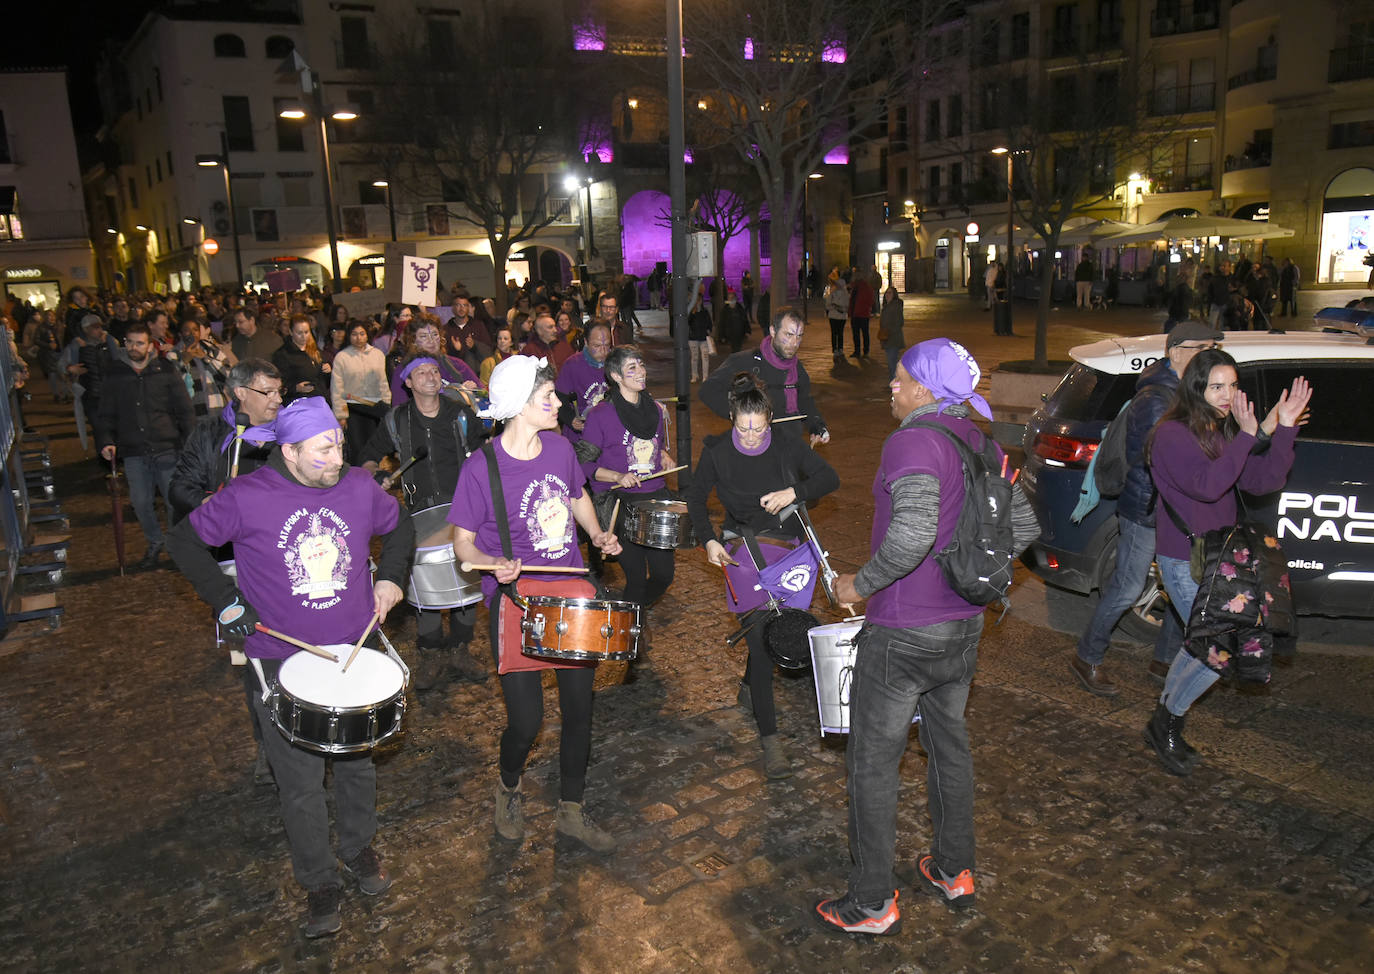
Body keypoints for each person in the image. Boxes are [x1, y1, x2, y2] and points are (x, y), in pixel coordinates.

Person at [814, 339, 1039, 935]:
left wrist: (856, 584)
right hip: (964, 627)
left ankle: (871, 902)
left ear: (928, 391)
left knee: (873, 764)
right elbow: (1025, 526)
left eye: (899, 379)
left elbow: (912, 534)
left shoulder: (912, 441)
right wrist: (970, 572)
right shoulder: (985, 444)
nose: (891, 387)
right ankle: (953, 869)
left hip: (904, 631)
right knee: (949, 748)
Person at [166, 397, 411, 938]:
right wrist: (226, 601)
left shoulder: (355, 485)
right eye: (324, 449)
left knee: (355, 764)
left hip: (351, 652)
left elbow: (401, 527)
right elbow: (182, 540)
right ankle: (319, 879)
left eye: (340, 444)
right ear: (291, 451)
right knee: (299, 782)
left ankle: (358, 849)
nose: (337, 457)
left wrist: (391, 576)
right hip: (279, 660)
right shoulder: (246, 496)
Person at [448, 355, 623, 852]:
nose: (557, 402)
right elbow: (462, 544)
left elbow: (577, 497)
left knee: (578, 712)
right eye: (546, 397)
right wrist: (489, 560)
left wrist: (596, 533)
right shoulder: (480, 466)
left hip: (570, 594)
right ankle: (507, 787)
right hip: (516, 599)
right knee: (527, 723)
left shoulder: (561, 448)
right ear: (519, 406)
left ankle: (571, 810)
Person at [1142, 350, 1311, 775]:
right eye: (1216, 385)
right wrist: (1248, 437)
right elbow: (1208, 486)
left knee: (1202, 646)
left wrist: (1284, 430)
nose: (1227, 394)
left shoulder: (1218, 431)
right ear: (1196, 387)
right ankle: (1167, 723)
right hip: (1186, 559)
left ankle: (1164, 719)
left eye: (1233, 385)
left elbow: (1262, 481)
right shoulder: (1172, 434)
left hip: (1224, 561)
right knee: (1218, 652)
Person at [685, 373, 839, 778]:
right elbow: (696, 498)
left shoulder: (787, 446)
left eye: (758, 427)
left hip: (788, 555)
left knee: (779, 635)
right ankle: (771, 744)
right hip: (742, 552)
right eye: (742, 427)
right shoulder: (717, 451)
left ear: (768, 418)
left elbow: (829, 478)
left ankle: (750, 685)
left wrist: (794, 492)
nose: (751, 436)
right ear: (732, 417)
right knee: (764, 642)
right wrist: (708, 541)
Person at [1069, 322, 1221, 697]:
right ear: (1176, 353)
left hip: (1177, 512)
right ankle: (1086, 657)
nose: (1211, 353)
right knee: (1126, 589)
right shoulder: (1156, 400)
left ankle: (1164, 659)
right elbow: (1155, 462)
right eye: (1204, 346)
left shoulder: (1188, 393)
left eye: (1214, 346)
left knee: (1184, 587)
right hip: (1147, 511)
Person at [360, 356, 486, 689]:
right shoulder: (396, 420)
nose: (430, 377)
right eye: (421, 373)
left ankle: (461, 648)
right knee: (426, 587)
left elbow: (482, 455)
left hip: (463, 510)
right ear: (408, 383)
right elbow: (370, 456)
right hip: (419, 514)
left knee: (466, 579)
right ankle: (430, 652)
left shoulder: (460, 414)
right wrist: (377, 476)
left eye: (434, 371)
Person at [581, 345, 676, 613]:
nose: (641, 372)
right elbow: (584, 463)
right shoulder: (600, 415)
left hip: (655, 499)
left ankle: (629, 611)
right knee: (635, 576)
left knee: (663, 575)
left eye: (641, 365)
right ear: (616, 376)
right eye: (631, 368)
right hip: (620, 504)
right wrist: (617, 476)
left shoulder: (655, 410)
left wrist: (665, 455)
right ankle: (631, 637)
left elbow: (651, 445)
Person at [95, 322, 195, 570]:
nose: (134, 347)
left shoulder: (165, 370)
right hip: (133, 450)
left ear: (150, 345)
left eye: (139, 342)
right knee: (140, 503)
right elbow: (105, 413)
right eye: (129, 342)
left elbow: (183, 409)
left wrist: (190, 443)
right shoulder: (115, 373)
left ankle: (174, 543)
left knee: (174, 502)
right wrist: (106, 440)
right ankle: (154, 541)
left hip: (167, 447)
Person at [700, 309, 829, 448]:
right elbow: (708, 390)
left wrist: (817, 426)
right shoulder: (745, 361)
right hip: (754, 447)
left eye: (799, 336)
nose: (794, 342)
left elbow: (804, 400)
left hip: (789, 445)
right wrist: (739, 414)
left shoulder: (796, 368)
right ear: (773, 331)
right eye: (789, 334)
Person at [329, 320, 391, 462]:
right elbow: (337, 388)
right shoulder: (342, 357)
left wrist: (387, 406)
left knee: (377, 447)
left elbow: (383, 382)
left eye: (362, 334)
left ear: (367, 335)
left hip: (375, 407)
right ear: (349, 336)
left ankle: (375, 478)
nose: (358, 338)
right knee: (358, 448)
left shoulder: (378, 354)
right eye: (354, 334)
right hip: (353, 407)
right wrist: (340, 414)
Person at [554, 322, 611, 437]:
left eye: (607, 345)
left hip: (608, 430)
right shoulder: (572, 365)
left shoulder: (615, 362)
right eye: (597, 346)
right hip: (581, 435)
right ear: (586, 342)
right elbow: (559, 399)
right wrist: (571, 419)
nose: (603, 350)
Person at [175, 318, 237, 417]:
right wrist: (183, 362)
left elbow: (229, 376)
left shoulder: (212, 350)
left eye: (195, 330)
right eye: (187, 330)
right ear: (180, 334)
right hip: (193, 414)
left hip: (219, 411)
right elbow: (173, 384)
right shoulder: (174, 354)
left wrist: (206, 359)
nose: (192, 333)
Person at [274, 313, 330, 406]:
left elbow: (325, 381)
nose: (304, 336)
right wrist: (296, 388)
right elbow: (279, 385)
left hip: (319, 401)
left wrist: (328, 370)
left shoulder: (315, 350)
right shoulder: (282, 355)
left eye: (306, 332)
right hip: (297, 404)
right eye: (299, 333)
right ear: (291, 332)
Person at [878, 285, 905, 382]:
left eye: (890, 293)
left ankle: (895, 384)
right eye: (886, 293)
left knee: (892, 363)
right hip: (887, 338)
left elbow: (899, 322)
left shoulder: (895, 306)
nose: (887, 295)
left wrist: (889, 331)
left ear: (894, 295)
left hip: (893, 338)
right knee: (892, 362)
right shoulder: (886, 306)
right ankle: (894, 382)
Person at [848, 268, 874, 359]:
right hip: (859, 313)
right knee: (862, 333)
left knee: (860, 333)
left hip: (860, 313)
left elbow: (868, 300)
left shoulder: (861, 286)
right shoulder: (860, 286)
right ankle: (862, 350)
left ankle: (860, 350)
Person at [824, 270, 848, 363]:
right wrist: (834, 306)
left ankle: (840, 349)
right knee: (835, 333)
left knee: (839, 333)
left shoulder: (844, 293)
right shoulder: (832, 292)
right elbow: (827, 304)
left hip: (840, 315)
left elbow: (846, 304)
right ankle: (835, 349)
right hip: (834, 315)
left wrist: (839, 307)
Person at [687, 292, 712, 382]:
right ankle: (695, 375)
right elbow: (687, 322)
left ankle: (705, 376)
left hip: (703, 337)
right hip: (693, 337)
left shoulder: (705, 312)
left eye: (699, 300)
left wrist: (709, 330)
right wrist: (692, 313)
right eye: (696, 300)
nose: (698, 302)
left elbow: (709, 323)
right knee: (694, 357)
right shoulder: (691, 311)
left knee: (705, 357)